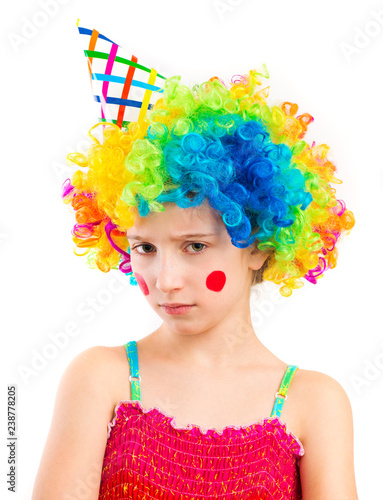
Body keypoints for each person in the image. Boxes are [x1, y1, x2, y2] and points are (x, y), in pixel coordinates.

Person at [32, 27, 358, 500]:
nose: (165, 280)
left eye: (194, 246)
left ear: (259, 246)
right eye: (145, 248)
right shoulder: (101, 380)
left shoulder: (314, 404)